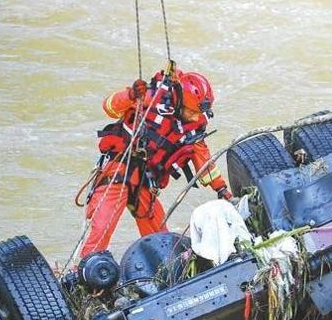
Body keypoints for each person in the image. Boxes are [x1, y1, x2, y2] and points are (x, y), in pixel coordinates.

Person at [80, 62, 232, 258]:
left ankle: (165, 271)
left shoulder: (193, 128)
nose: (195, 118)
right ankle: (84, 272)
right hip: (119, 169)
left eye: (199, 114)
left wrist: (221, 189)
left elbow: (203, 161)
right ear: (179, 103)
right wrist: (130, 95)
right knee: (102, 226)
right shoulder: (150, 98)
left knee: (160, 237)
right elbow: (109, 107)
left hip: (146, 180)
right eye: (192, 112)